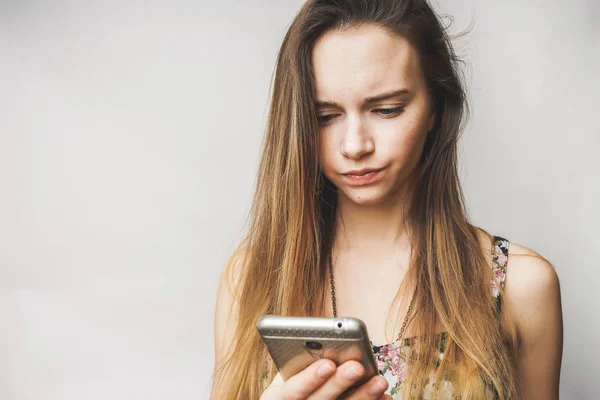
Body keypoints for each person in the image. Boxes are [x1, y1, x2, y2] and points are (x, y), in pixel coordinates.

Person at [211, 0, 563, 399]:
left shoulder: (519, 286)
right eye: (325, 117)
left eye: (387, 110)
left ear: (436, 107)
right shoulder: (250, 279)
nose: (355, 145)